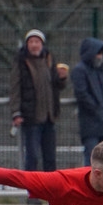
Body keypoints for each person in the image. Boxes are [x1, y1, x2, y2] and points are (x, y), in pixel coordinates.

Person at [10, 28, 68, 174]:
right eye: (31, 42)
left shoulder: (49, 59)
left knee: (50, 158)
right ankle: (32, 193)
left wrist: (62, 78)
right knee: (32, 157)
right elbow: (15, 87)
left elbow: (57, 86)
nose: (34, 45)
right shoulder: (20, 61)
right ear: (27, 44)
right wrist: (16, 112)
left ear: (42, 44)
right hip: (31, 117)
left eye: (37, 42)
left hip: (49, 116)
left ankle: (51, 192)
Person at [70, 37, 103, 165]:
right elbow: (82, 94)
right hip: (91, 123)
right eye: (98, 53)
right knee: (92, 159)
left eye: (101, 53)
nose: (100, 57)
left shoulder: (99, 71)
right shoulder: (80, 70)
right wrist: (97, 109)